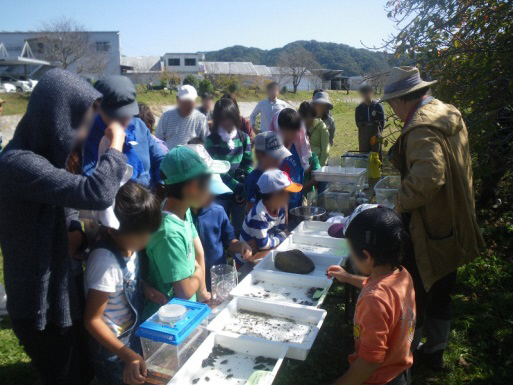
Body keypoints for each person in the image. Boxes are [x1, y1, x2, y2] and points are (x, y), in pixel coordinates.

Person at [0, 69, 128, 385]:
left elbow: (70, 207)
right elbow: (97, 193)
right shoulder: (18, 163)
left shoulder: (47, 161)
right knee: (65, 376)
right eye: (81, 124)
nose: (84, 133)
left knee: (82, 372)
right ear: (57, 119)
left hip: (64, 291)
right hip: (39, 305)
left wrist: (78, 230)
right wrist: (115, 146)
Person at [382, 66, 484, 369]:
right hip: (452, 218)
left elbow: (428, 177)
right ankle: (436, 352)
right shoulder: (445, 112)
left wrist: (396, 203)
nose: (393, 110)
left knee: (417, 296)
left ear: (402, 100)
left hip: (432, 227)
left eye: (392, 104)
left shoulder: (422, 127)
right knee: (442, 290)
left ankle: (407, 358)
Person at [327, 204, 416, 385]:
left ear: (366, 256)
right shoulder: (401, 275)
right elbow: (377, 288)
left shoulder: (374, 301)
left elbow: (370, 362)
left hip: (377, 379)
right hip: (398, 371)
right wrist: (347, 277)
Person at [84, 182, 161, 385]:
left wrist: (144, 287)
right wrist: (128, 355)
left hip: (129, 337)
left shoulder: (129, 247)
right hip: (111, 349)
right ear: (113, 230)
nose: (146, 240)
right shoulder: (105, 264)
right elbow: (92, 320)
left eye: (149, 233)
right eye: (141, 235)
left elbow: (125, 281)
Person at [143, 146, 229, 318]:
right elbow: (184, 292)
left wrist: (204, 293)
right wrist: (197, 273)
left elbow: (199, 252)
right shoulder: (168, 234)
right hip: (170, 319)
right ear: (192, 187)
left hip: (190, 308)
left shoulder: (182, 208)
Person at [83, 76, 166, 189]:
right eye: (116, 115)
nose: (124, 120)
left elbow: (159, 158)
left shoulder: (139, 126)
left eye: (128, 113)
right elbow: (92, 184)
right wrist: (114, 143)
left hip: (148, 200)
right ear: (98, 107)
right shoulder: (87, 137)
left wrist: (162, 184)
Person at [191, 173, 252, 291]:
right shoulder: (184, 216)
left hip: (216, 277)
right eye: (209, 194)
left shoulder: (218, 211)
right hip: (193, 280)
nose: (213, 198)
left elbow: (229, 242)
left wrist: (241, 246)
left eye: (215, 194)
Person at [205, 98, 253, 236]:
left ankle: (237, 254)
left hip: (240, 192)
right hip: (220, 192)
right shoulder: (211, 140)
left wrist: (243, 184)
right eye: (222, 118)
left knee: (239, 225)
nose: (226, 122)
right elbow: (215, 167)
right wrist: (235, 185)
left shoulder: (244, 137)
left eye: (229, 118)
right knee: (220, 226)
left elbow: (248, 162)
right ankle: (223, 252)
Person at [238, 169, 302, 265]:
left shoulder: (280, 208)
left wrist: (276, 237)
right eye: (288, 193)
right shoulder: (259, 215)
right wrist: (281, 236)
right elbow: (264, 245)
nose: (289, 197)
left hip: (263, 254)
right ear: (276, 196)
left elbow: (281, 230)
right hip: (246, 261)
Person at [271, 108, 311, 211]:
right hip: (276, 205)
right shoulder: (272, 150)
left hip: (295, 202)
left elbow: (303, 169)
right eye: (288, 132)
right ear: (280, 129)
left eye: (295, 132)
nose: (292, 135)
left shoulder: (299, 147)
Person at [245, 131, 291, 212]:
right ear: (260, 155)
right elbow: (250, 209)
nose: (280, 160)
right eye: (275, 157)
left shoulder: (279, 174)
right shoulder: (253, 180)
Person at [155, 85, 209, 149]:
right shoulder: (166, 116)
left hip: (192, 156)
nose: (187, 105)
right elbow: (158, 141)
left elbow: (207, 141)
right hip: (170, 156)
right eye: (185, 101)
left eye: (190, 101)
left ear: (195, 101)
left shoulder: (201, 118)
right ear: (178, 100)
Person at [355, 84, 385, 155]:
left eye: (368, 92)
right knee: (363, 153)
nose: (366, 95)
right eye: (364, 93)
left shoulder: (378, 106)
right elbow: (357, 122)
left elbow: (382, 121)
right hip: (363, 133)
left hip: (376, 132)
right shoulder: (359, 108)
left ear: (372, 93)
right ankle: (364, 166)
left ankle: (378, 166)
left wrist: (380, 132)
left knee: (377, 152)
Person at [299, 101, 330, 166]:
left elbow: (325, 150)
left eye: (309, 116)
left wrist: (319, 169)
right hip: (302, 165)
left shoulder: (321, 127)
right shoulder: (298, 127)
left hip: (317, 164)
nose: (306, 119)